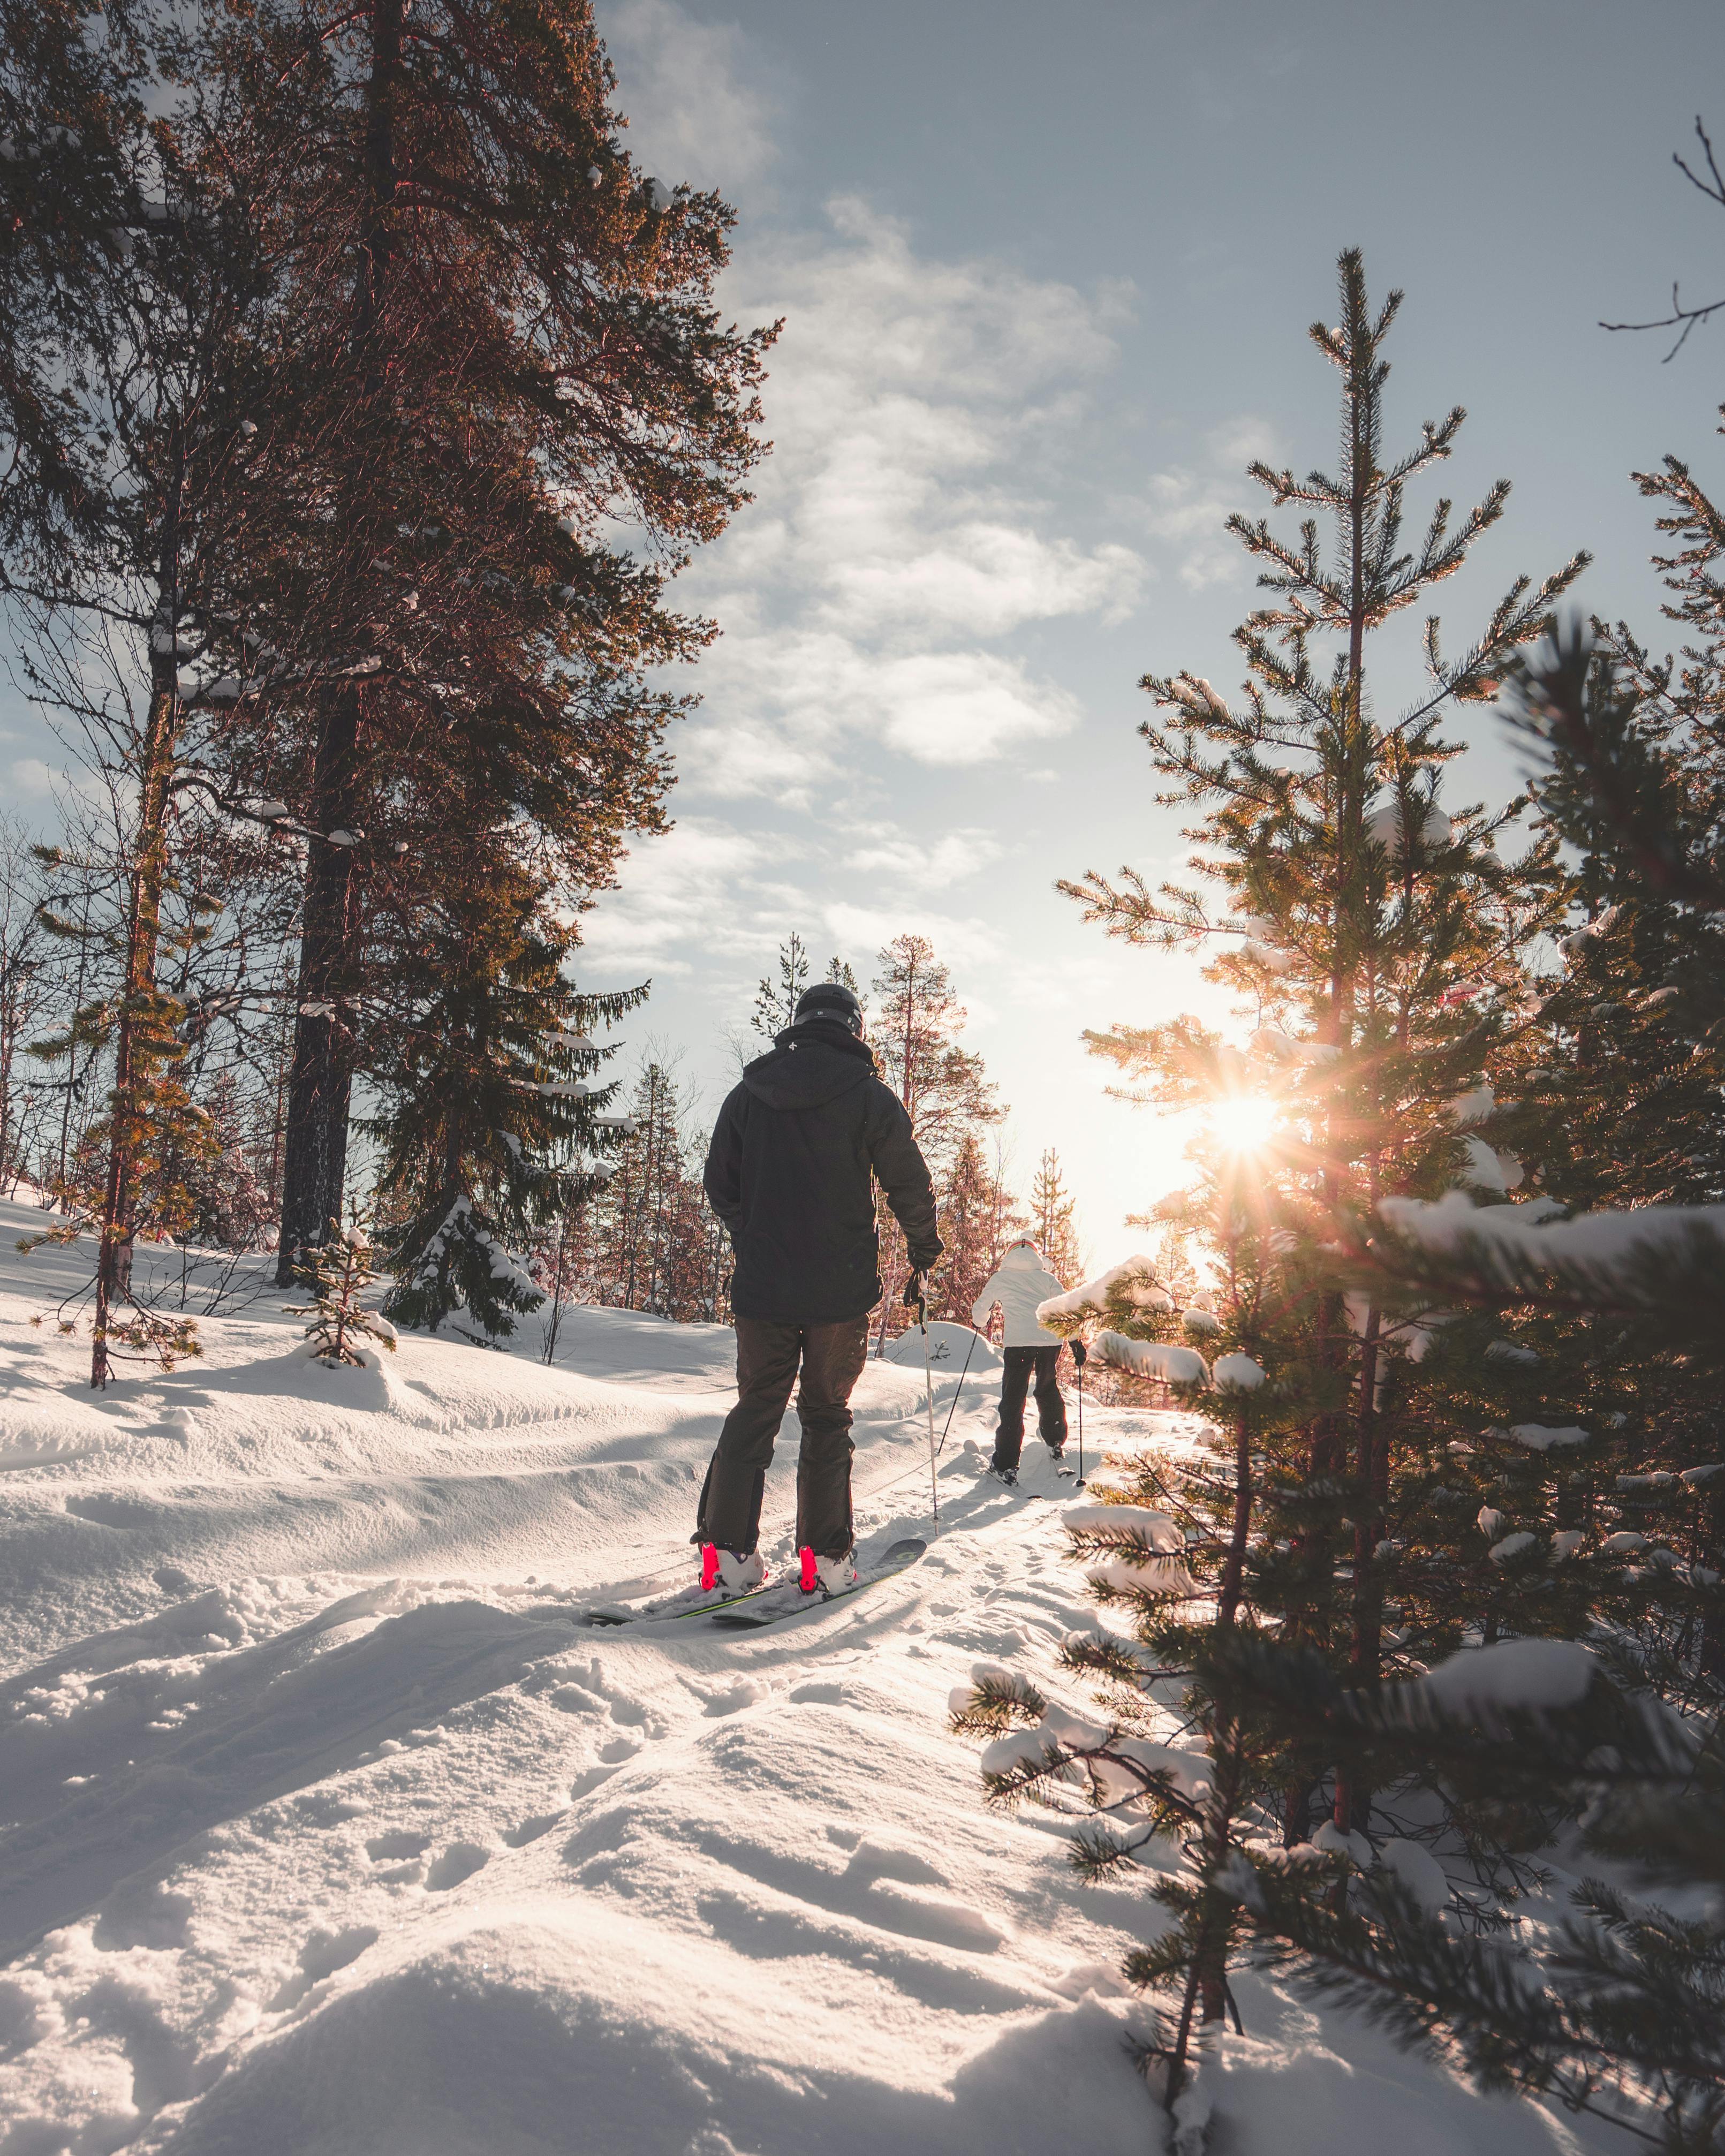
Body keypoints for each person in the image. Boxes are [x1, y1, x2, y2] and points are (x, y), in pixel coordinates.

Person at [697, 980, 942, 1600]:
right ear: (854, 1029)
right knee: (827, 1417)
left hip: (763, 1290)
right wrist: (923, 1251)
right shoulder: (867, 1096)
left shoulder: (749, 1093)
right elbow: (908, 1181)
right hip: (838, 1294)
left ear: (800, 1023)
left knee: (756, 1409)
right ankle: (825, 1560)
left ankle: (724, 1556)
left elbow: (718, 1182)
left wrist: (750, 1232)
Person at [971, 1238, 1070, 1485]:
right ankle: (1056, 1442)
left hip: (1018, 1345)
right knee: (1047, 1388)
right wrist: (1076, 1341)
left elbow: (980, 1313)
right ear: (1036, 1256)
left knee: (1014, 1399)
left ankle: (1005, 1463)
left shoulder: (1001, 1278)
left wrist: (980, 1320)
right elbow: (1067, 1308)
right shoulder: (1047, 1279)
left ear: (1009, 1255)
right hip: (1050, 1342)